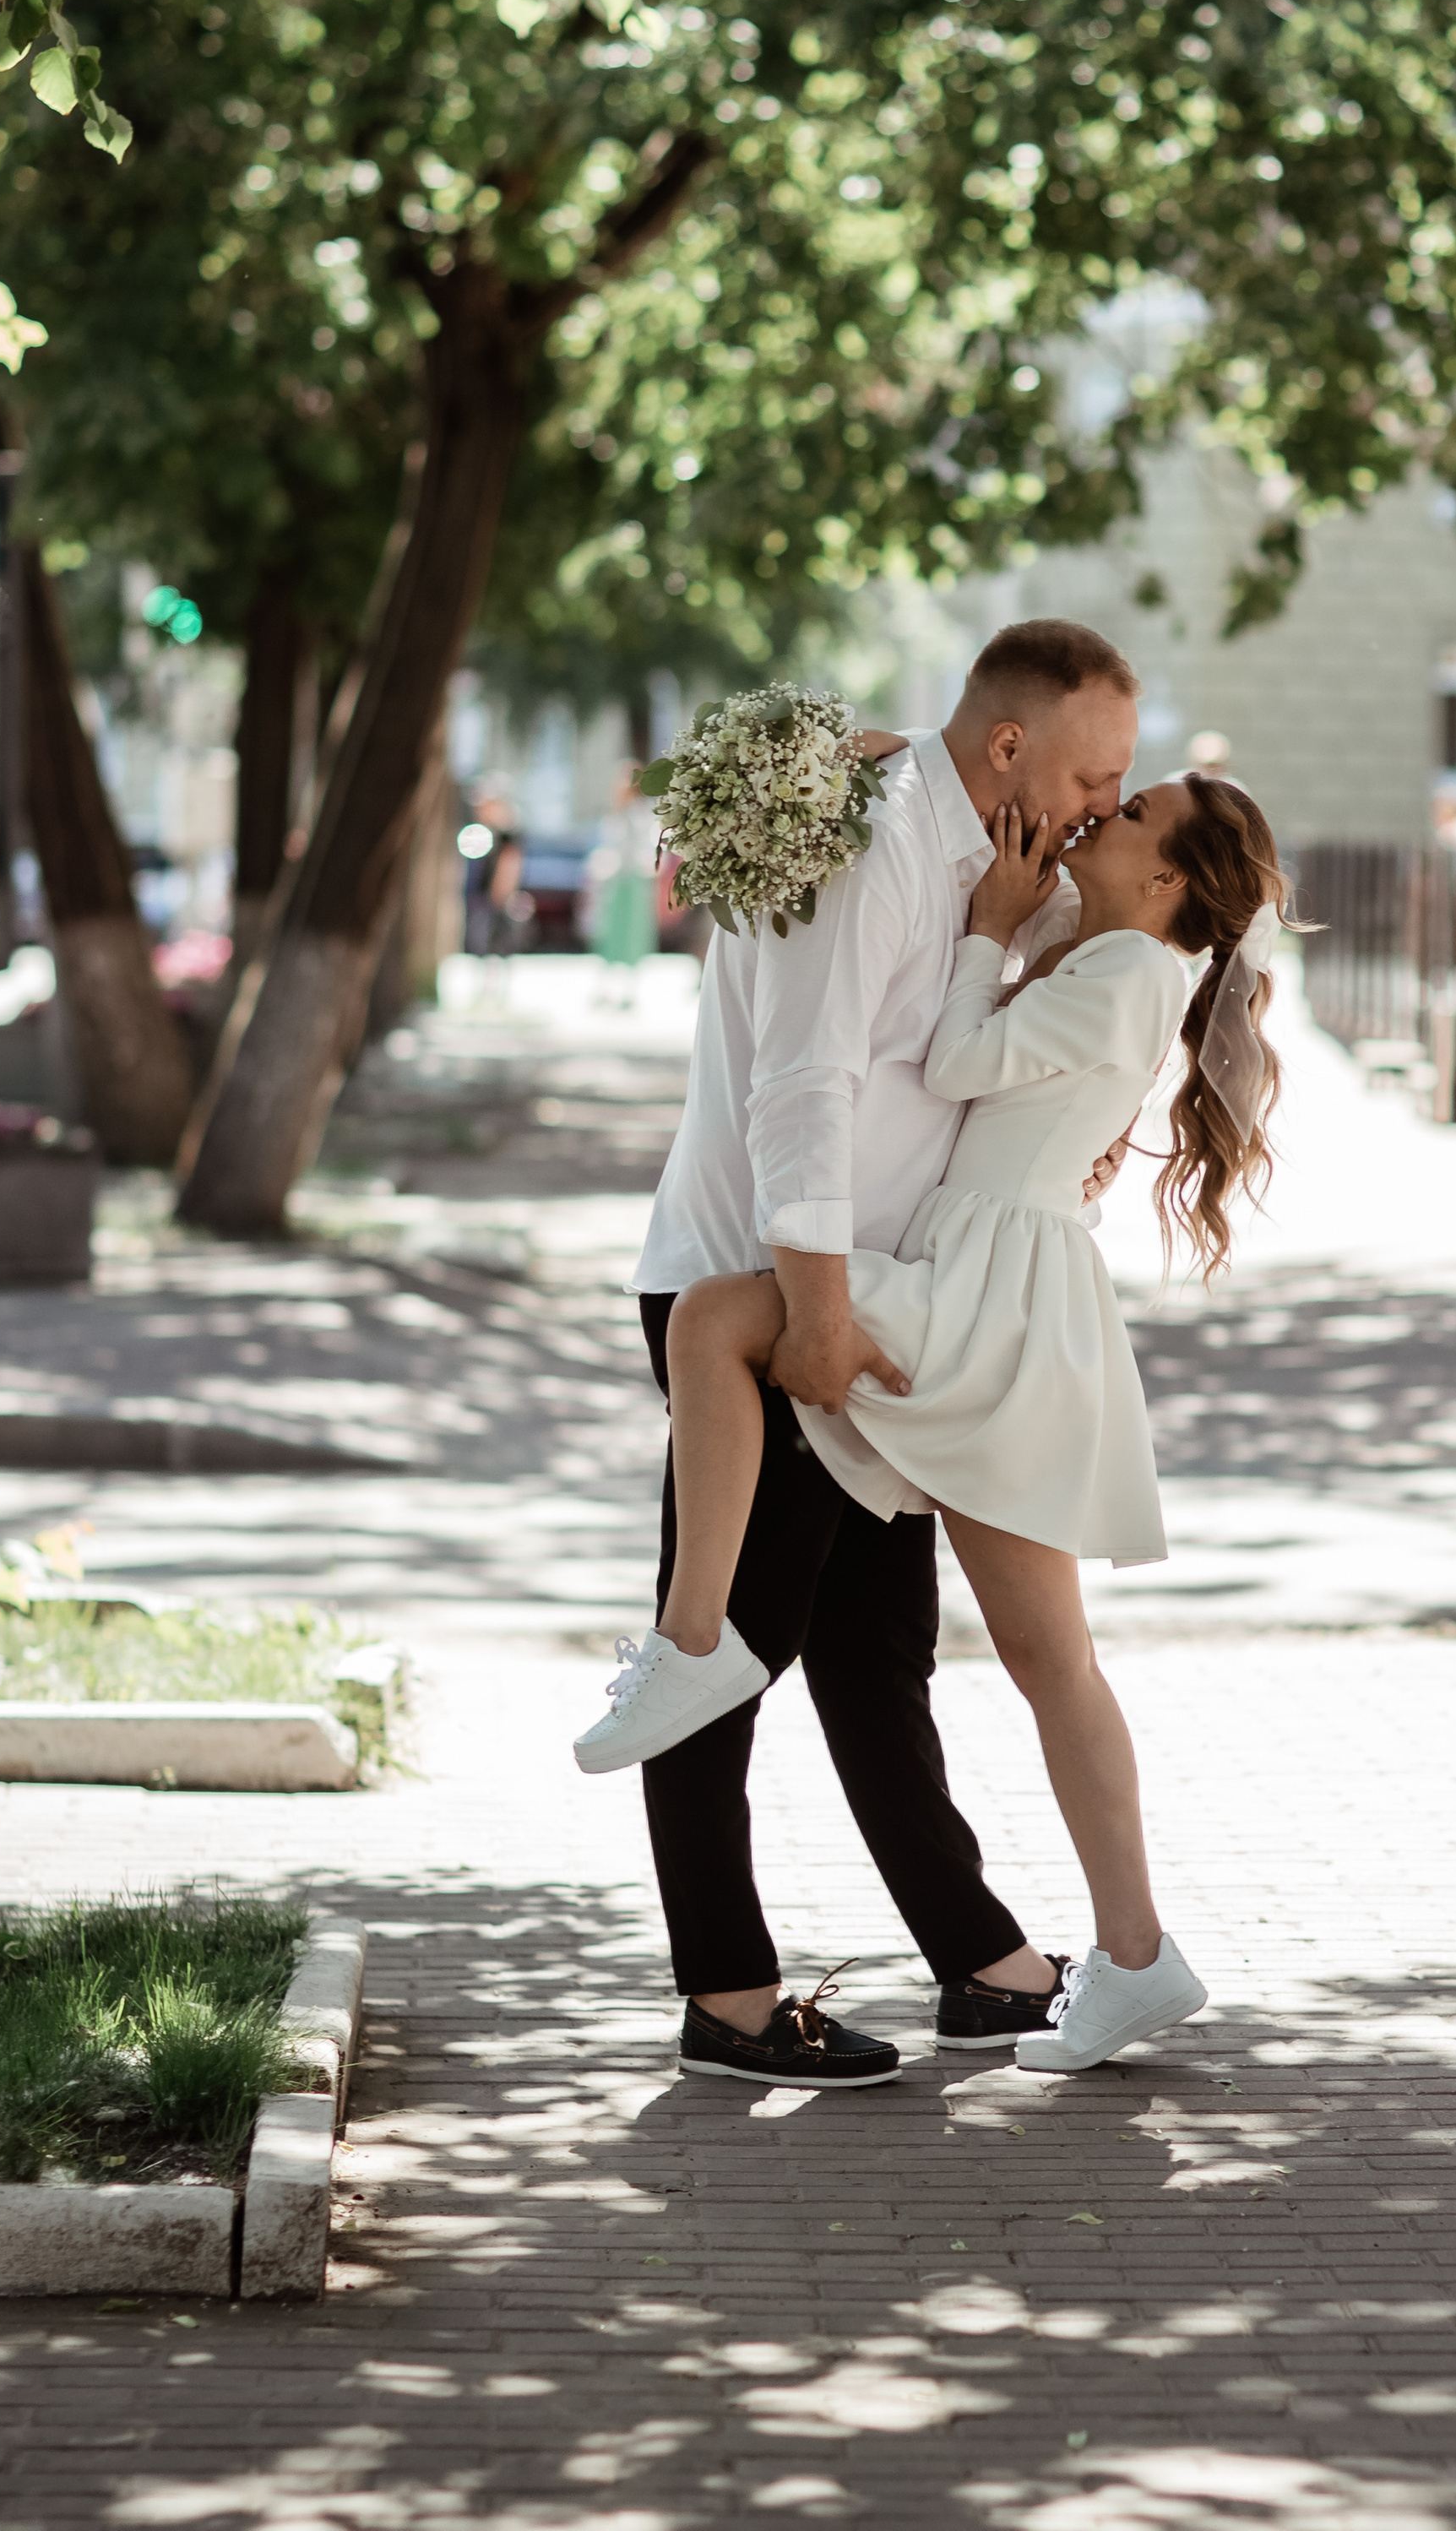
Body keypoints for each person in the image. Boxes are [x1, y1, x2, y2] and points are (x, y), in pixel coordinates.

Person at [578, 766, 1288, 2072]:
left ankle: (692, 1642)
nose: (1103, 810)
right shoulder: (1109, 954)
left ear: (1169, 878)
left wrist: (984, 936)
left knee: (716, 1323)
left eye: (1134, 812)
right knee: (1028, 1661)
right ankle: (1123, 1958)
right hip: (990, 1294)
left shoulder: (1124, 969)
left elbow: (958, 1061)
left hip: (977, 1303)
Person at [611, 621, 1147, 2093]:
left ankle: (982, 1965)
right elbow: (803, 1092)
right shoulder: (875, 847)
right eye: (1095, 773)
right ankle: (728, 1997)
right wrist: (819, 1321)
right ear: (1010, 747)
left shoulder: (981, 849)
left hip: (868, 1310)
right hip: (776, 1300)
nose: (1107, 801)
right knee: (724, 1649)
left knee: (875, 1654)